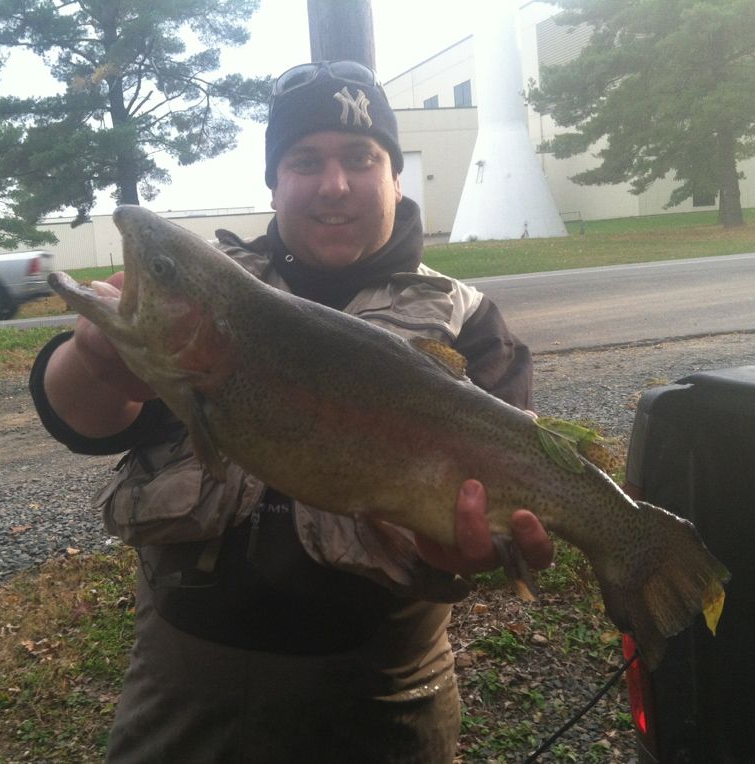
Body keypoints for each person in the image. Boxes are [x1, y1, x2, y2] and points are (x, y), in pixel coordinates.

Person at [29, 60, 554, 764]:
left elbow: (510, 513)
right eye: (305, 161)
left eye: (361, 159)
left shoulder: (470, 322)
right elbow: (85, 420)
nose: (334, 184)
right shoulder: (206, 292)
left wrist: (480, 548)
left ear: (397, 176)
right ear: (274, 182)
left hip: (384, 702)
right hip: (182, 695)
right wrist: (92, 356)